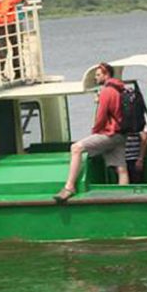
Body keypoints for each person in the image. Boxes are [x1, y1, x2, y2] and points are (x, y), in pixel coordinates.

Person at [53, 62, 128, 202]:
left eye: (98, 75)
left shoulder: (107, 91)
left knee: (76, 148)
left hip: (110, 133)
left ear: (106, 75)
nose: (96, 78)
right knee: (121, 169)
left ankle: (69, 186)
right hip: (121, 135)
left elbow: (101, 116)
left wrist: (95, 131)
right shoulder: (119, 89)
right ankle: (124, 197)